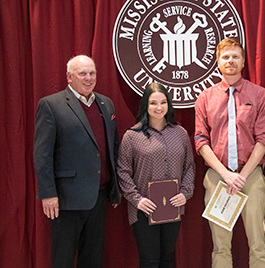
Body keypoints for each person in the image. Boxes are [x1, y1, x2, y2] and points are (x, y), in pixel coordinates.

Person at [33, 55, 121, 268]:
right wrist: (48, 194)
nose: (88, 78)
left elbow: (113, 147)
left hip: (99, 196)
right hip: (66, 198)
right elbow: (42, 154)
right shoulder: (51, 105)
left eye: (92, 73)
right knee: (63, 258)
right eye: (82, 73)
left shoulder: (106, 104)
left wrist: (115, 187)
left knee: (92, 258)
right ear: (69, 76)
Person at [194, 37, 265, 268]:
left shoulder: (259, 94)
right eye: (225, 57)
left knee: (258, 243)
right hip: (218, 177)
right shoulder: (205, 97)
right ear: (218, 61)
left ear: (243, 61)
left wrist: (242, 176)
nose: (230, 61)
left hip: (251, 175)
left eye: (235, 56)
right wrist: (226, 174)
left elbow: (264, 139)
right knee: (220, 245)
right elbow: (200, 141)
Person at [117, 82, 195, 268]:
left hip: (173, 206)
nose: (159, 108)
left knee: (168, 258)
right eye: (153, 103)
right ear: (146, 105)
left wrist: (185, 193)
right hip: (144, 209)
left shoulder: (180, 133)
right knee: (150, 260)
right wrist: (137, 200)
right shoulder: (132, 136)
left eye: (163, 102)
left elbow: (189, 167)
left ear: (169, 104)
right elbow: (123, 171)